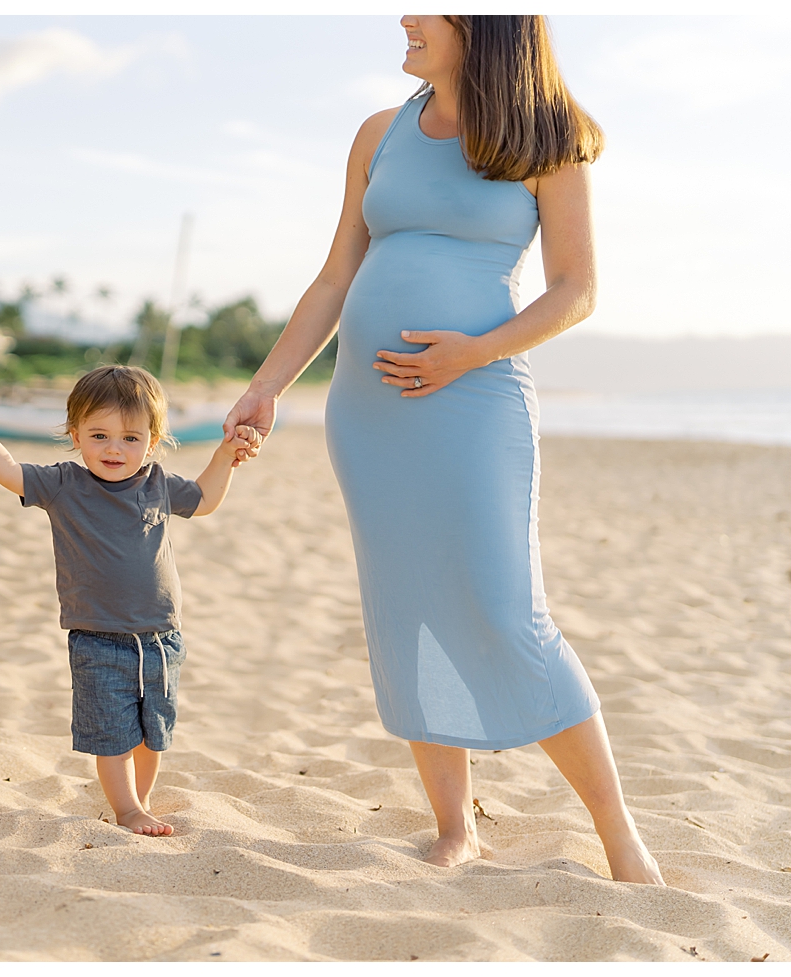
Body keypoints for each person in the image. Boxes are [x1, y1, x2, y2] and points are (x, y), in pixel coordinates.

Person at [224, 15, 664, 884]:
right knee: (409, 609)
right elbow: (334, 276)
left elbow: (576, 289)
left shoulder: (549, 134)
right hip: (369, 413)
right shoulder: (376, 133)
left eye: (429, 9)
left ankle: (621, 838)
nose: (403, 18)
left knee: (510, 612)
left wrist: (473, 350)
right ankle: (455, 826)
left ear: (484, 26)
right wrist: (268, 384)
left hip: (478, 400)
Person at [0, 366, 255, 835]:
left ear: (152, 442)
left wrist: (225, 456)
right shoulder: (64, 484)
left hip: (161, 638)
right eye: (99, 435)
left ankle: (143, 799)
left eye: (130, 438)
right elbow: (6, 471)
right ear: (75, 435)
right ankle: (127, 809)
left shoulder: (156, 482)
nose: (114, 449)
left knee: (152, 733)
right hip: (98, 640)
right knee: (113, 735)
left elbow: (204, 499)